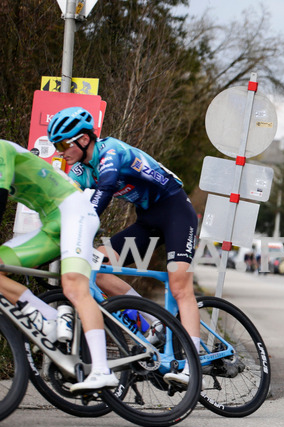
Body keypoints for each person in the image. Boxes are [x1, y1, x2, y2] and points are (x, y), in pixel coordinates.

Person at [51, 106, 200, 385]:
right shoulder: (82, 169)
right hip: (147, 223)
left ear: (83, 140)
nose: (60, 151)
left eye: (63, 144)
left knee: (180, 285)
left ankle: (194, 363)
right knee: (98, 268)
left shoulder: (111, 151)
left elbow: (104, 192)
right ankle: (155, 321)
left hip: (176, 211)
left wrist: (81, 230)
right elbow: (71, 203)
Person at [0, 139, 115, 391]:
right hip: (50, 224)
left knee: (74, 287)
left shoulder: (1, 149)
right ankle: (48, 318)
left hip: (75, 213)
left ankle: (102, 369)